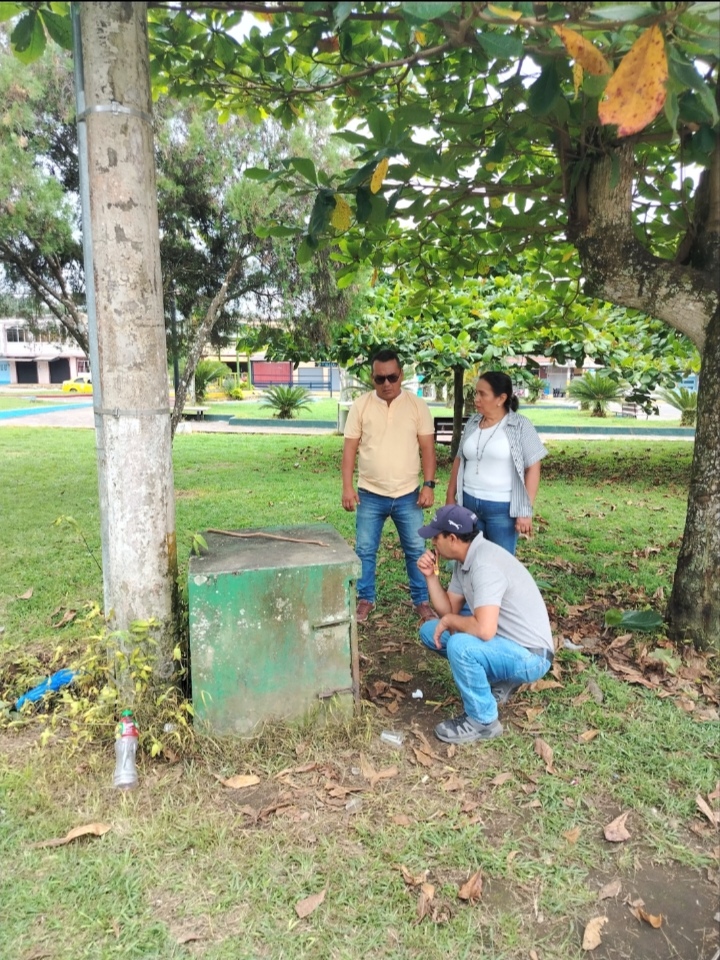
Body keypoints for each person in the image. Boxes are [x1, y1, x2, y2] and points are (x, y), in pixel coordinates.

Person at [416, 504, 554, 745]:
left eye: (436, 537)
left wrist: (449, 620)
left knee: (460, 646)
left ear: (452, 538)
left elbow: (483, 629)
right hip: (506, 642)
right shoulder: (465, 559)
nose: (433, 542)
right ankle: (502, 680)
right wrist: (431, 577)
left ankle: (483, 721)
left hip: (532, 656)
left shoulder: (484, 565)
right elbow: (449, 610)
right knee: (430, 631)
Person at [342, 348, 437, 623]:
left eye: (392, 377)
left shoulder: (417, 406)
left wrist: (428, 485)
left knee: (416, 550)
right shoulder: (360, 406)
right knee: (364, 550)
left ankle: (421, 600)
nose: (386, 384)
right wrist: (347, 487)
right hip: (369, 494)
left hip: (408, 494)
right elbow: (349, 450)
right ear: (372, 378)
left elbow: (428, 449)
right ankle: (365, 599)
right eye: (380, 379)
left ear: (401, 375)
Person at [445, 371, 547, 555]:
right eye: (476, 393)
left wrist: (525, 510)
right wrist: (450, 498)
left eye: (482, 394)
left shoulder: (520, 425)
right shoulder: (473, 423)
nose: (476, 398)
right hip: (468, 504)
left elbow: (533, 466)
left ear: (501, 398)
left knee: (500, 563)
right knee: (469, 560)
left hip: (502, 510)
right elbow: (459, 460)